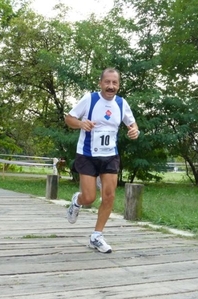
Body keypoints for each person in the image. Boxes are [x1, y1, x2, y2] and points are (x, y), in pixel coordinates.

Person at [65, 67, 140, 253]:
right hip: (88, 154)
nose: (111, 86)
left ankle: (96, 236)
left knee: (109, 195)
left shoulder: (122, 103)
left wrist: (134, 130)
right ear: (100, 83)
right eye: (107, 82)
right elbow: (69, 118)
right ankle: (77, 200)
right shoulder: (90, 99)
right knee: (89, 197)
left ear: (119, 85)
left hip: (110, 156)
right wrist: (81, 123)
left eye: (115, 83)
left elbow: (132, 123)